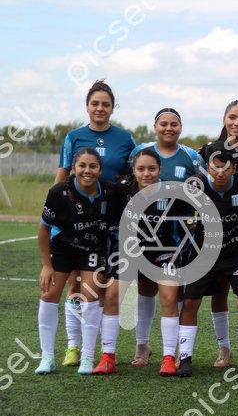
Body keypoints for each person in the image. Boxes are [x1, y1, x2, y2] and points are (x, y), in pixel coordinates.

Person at [54, 80, 136, 368]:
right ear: (87, 106)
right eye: (95, 103)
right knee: (75, 282)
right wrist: (55, 207)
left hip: (110, 221)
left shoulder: (125, 139)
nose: (100, 108)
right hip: (77, 218)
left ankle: (100, 350)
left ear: (113, 108)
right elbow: (63, 173)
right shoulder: (73, 137)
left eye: (105, 104)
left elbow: (134, 175)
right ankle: (72, 347)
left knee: (99, 284)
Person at [91, 147, 182, 376]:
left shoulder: (171, 191)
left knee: (169, 296)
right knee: (111, 296)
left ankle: (168, 357)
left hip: (162, 251)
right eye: (141, 169)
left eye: (152, 168)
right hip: (128, 251)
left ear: (160, 169)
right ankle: (108, 356)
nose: (146, 173)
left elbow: (187, 221)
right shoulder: (121, 189)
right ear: (133, 170)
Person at [126, 108, 205, 367]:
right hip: (144, 235)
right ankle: (142, 345)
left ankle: (177, 351)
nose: (168, 128)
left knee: (174, 293)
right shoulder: (140, 151)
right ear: (155, 126)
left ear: (180, 127)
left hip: (177, 235)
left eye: (174, 124)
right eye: (163, 124)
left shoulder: (191, 157)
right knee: (146, 289)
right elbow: (129, 185)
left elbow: (203, 189)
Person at [175, 142, 238, 377]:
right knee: (190, 302)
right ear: (207, 168)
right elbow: (178, 214)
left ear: (234, 168)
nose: (220, 173)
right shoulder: (194, 186)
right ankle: (185, 358)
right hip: (204, 255)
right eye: (215, 167)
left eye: (225, 167)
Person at [35, 148, 118, 375]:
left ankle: (87, 357)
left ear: (100, 169)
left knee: (90, 296)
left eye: (93, 166)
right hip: (63, 248)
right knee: (48, 295)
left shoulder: (110, 192)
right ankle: (47, 357)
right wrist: (46, 265)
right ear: (73, 168)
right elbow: (43, 229)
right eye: (82, 165)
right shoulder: (58, 192)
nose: (87, 170)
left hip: (93, 249)